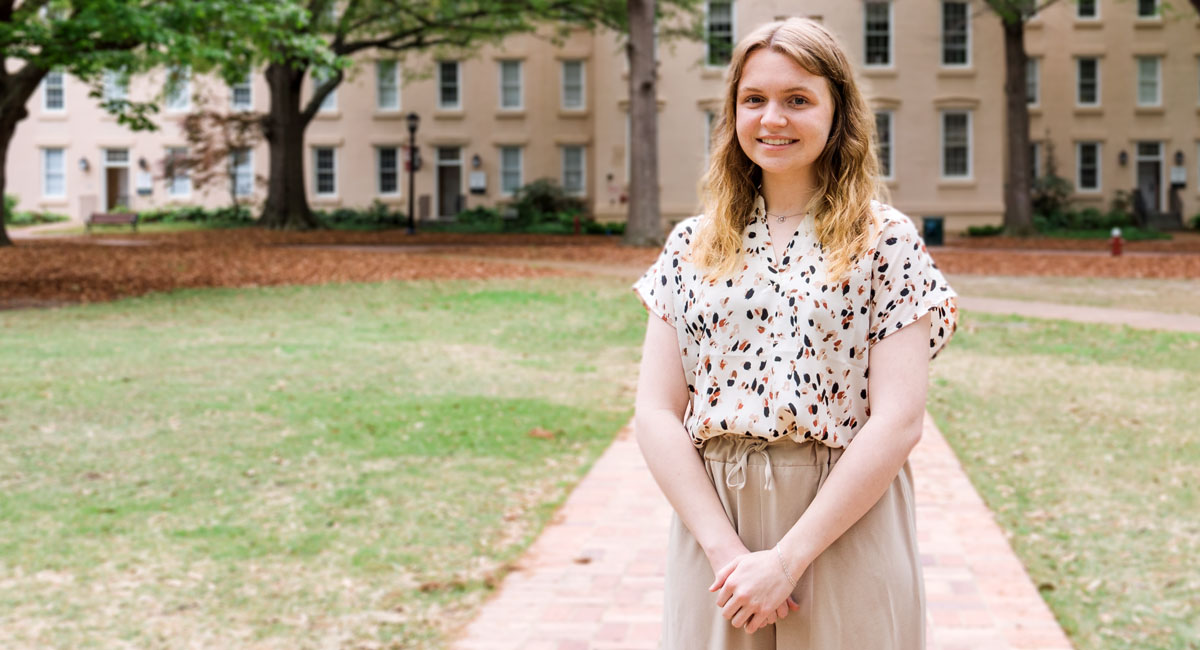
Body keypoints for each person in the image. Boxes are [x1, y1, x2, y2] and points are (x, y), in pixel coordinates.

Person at [632, 17, 959, 649]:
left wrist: (786, 561)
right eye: (754, 99)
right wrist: (727, 552)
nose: (772, 118)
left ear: (837, 114)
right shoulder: (690, 245)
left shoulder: (885, 241)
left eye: (798, 100)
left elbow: (899, 420)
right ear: (733, 113)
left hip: (843, 521)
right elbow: (654, 411)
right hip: (715, 525)